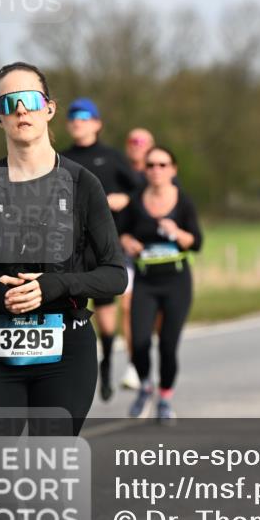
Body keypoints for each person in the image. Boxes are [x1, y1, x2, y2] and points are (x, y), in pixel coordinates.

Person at [0, 62, 127, 520]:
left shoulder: (83, 184)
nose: (20, 110)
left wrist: (54, 286)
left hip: (66, 348)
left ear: (49, 109)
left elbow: (114, 275)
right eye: (9, 102)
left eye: (30, 99)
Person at [61, 98, 139, 401]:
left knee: (107, 323)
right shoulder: (61, 159)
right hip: (70, 250)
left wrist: (125, 199)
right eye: (73, 118)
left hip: (103, 248)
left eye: (84, 118)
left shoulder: (112, 157)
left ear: (97, 123)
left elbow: (139, 189)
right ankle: (72, 373)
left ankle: (106, 365)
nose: (77, 123)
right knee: (70, 315)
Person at [119, 147, 203, 424]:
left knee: (168, 344)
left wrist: (177, 232)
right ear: (145, 169)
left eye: (162, 165)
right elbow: (120, 232)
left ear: (173, 169)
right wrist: (127, 241)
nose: (156, 170)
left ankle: (165, 398)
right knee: (139, 341)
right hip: (145, 280)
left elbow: (197, 242)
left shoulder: (184, 201)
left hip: (176, 281)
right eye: (151, 165)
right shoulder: (135, 200)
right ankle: (145, 386)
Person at [118, 127, 157, 384]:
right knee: (128, 308)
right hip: (128, 252)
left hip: (156, 254)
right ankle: (134, 365)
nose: (136, 144)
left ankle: (152, 357)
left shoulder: (161, 174)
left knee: (157, 315)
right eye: (132, 140)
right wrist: (124, 238)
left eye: (141, 141)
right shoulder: (120, 174)